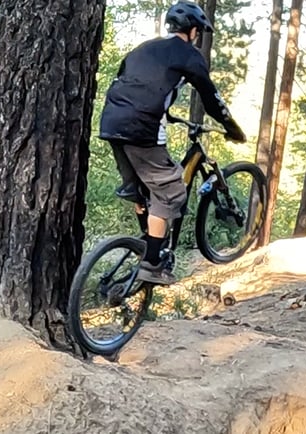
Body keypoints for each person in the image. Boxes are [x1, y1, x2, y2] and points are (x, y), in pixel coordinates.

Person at [98, 0, 247, 286]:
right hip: (142, 129)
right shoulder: (189, 56)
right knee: (171, 192)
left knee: (139, 189)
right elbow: (212, 100)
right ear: (193, 31)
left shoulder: (142, 49)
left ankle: (147, 241)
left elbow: (133, 84)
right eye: (198, 32)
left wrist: (164, 112)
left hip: (111, 123)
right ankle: (152, 263)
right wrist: (233, 129)